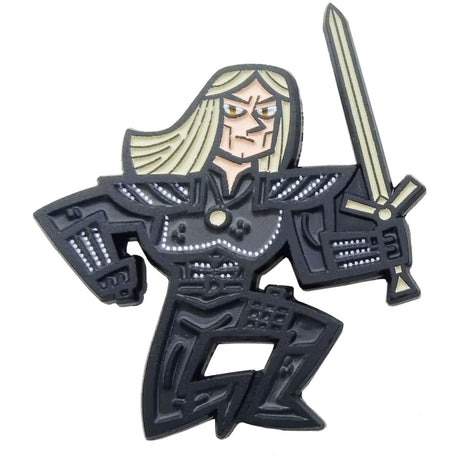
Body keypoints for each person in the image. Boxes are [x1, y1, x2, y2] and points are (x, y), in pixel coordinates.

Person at [35, 64, 416, 439]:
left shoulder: (284, 199)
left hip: (238, 305)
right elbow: (71, 217)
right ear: (209, 118)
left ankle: (272, 400)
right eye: (236, 110)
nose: (253, 125)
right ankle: (246, 395)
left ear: (281, 127)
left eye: (267, 113)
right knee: (167, 410)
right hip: (186, 313)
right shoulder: (164, 193)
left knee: (312, 330)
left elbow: (318, 261)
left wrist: (380, 248)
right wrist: (113, 276)